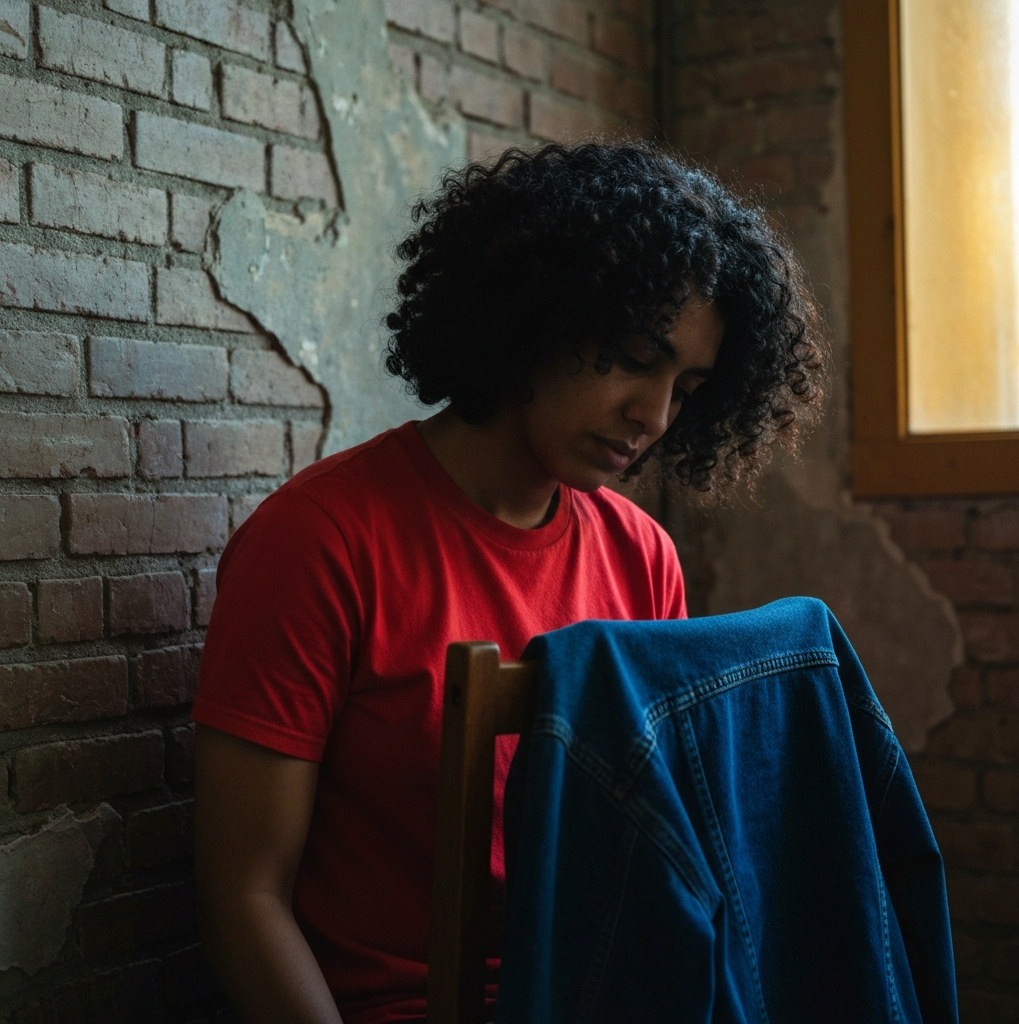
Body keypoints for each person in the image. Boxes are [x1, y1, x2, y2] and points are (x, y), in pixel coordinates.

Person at [192, 141, 828, 1024]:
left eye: (688, 386)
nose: (654, 415)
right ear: (535, 316)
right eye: (634, 356)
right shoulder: (320, 542)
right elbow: (244, 895)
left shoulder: (643, 556)